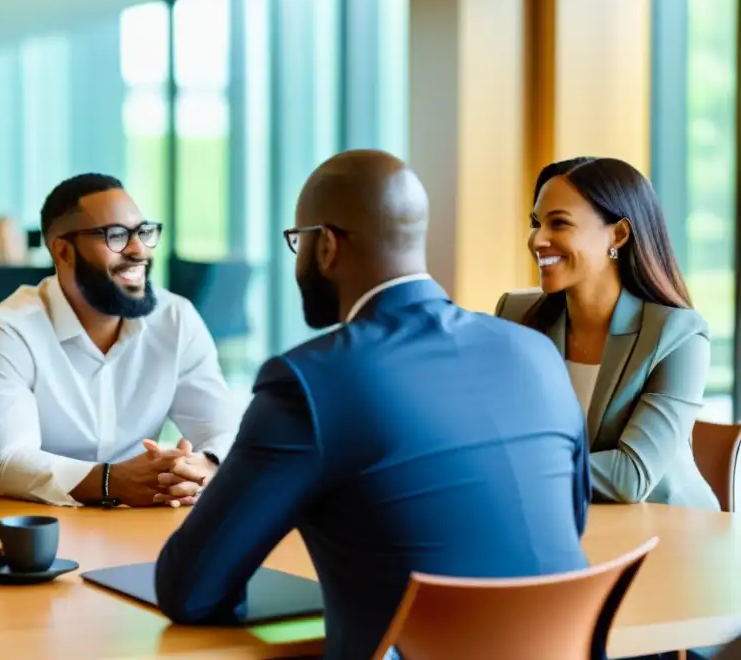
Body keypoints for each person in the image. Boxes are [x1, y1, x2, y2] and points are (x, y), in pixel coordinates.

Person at [154, 150, 590, 660]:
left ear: (327, 247)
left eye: (299, 242)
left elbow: (191, 590)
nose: (298, 261)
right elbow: (566, 522)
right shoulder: (534, 350)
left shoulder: (312, 380)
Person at [0, 173, 239, 508]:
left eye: (143, 232)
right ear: (63, 251)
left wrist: (202, 466)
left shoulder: (175, 319)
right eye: (116, 235)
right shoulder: (7, 329)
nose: (139, 249)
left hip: (139, 524)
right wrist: (112, 480)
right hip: (33, 534)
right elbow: (6, 464)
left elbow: (226, 430)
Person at [495, 156, 718, 510]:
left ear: (618, 234)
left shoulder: (679, 335)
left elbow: (630, 476)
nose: (538, 240)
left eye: (559, 224)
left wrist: (505, 469)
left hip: (668, 532)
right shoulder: (515, 313)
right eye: (536, 223)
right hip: (558, 519)